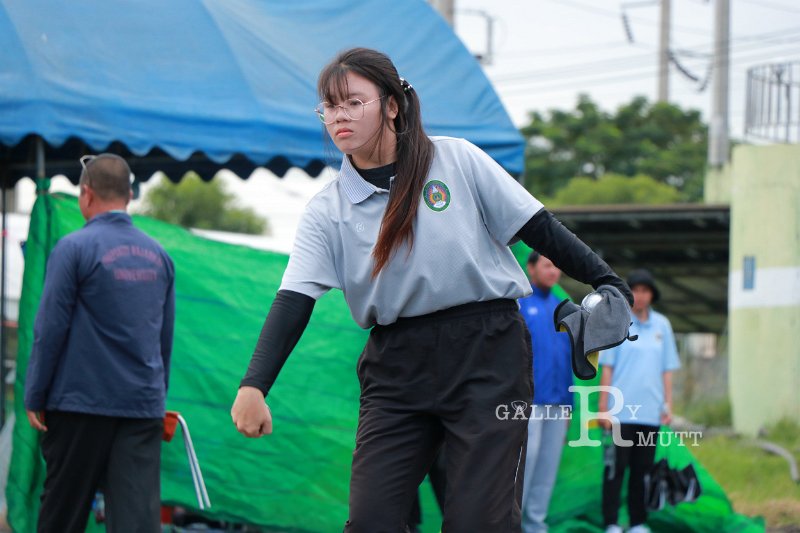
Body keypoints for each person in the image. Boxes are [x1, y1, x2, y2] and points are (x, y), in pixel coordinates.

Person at [230, 47, 632, 532]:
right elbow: (293, 300)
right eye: (330, 106)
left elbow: (539, 228)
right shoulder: (327, 210)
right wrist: (254, 385)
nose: (339, 116)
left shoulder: (456, 159)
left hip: (487, 354)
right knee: (371, 522)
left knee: (476, 524)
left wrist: (609, 282)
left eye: (354, 102)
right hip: (396, 367)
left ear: (392, 105)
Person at [24, 154, 176, 533]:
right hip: (141, 408)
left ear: (86, 194)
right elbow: (164, 340)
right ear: (129, 196)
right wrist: (155, 402)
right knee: (136, 522)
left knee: (63, 516)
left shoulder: (73, 248)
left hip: (79, 406)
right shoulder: (160, 257)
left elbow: (49, 328)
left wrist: (35, 395)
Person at [598, 269, 680, 533]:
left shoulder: (663, 326)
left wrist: (668, 405)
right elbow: (607, 368)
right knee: (615, 470)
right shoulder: (618, 323)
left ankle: (637, 522)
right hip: (619, 413)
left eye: (646, 290)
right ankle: (611, 522)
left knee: (642, 471)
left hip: (650, 413)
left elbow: (667, 369)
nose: (640, 296)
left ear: (652, 294)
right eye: (635, 290)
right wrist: (603, 408)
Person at [518, 252, 573, 533]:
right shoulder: (519, 304)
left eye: (557, 266)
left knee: (547, 469)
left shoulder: (564, 308)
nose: (553, 271)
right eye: (547, 265)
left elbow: (568, 360)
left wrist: (569, 406)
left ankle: (535, 525)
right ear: (531, 268)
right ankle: (510, 524)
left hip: (558, 403)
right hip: (529, 403)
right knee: (523, 468)